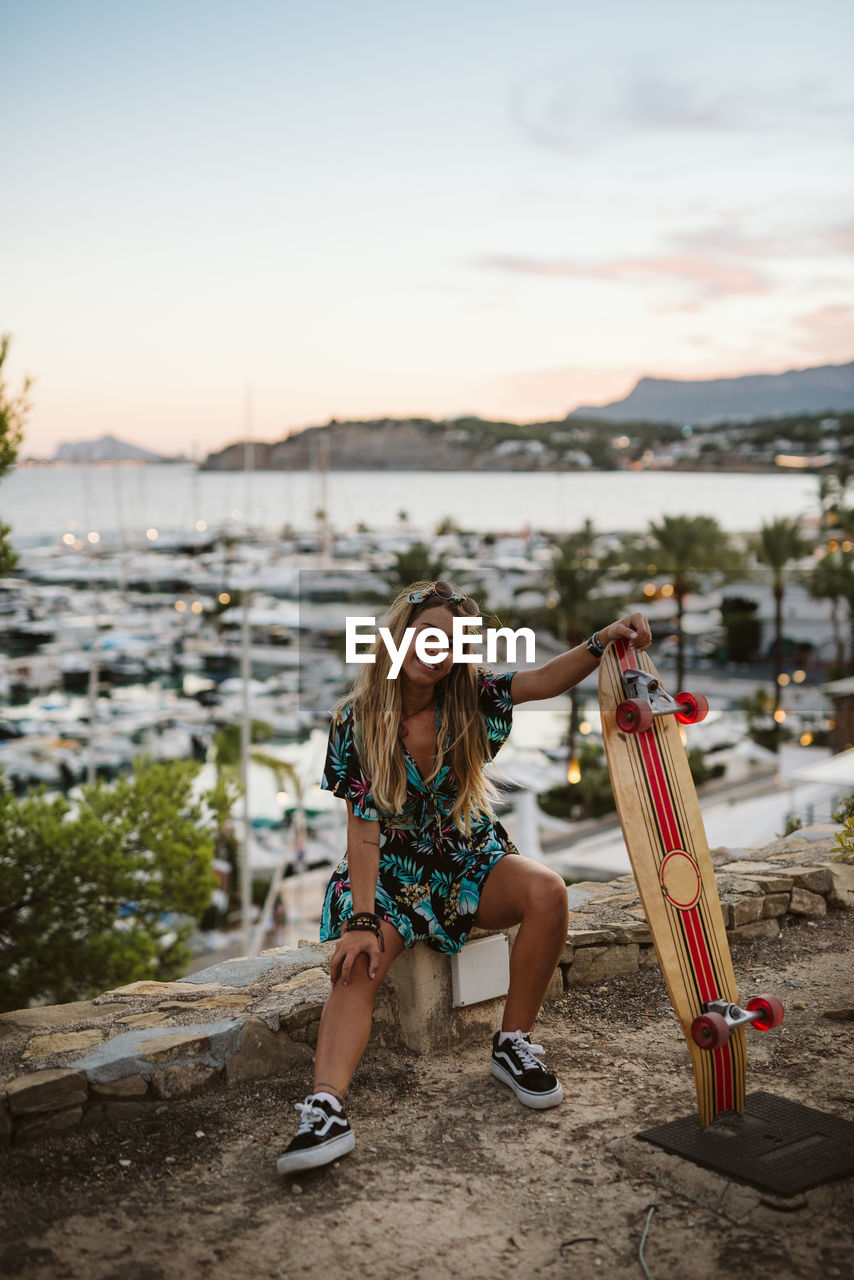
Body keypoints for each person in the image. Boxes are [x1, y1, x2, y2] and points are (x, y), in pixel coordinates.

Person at [277, 580, 651, 1175]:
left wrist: (604, 641)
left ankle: (512, 1046)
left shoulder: (471, 697)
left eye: (453, 641)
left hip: (465, 856)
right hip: (391, 872)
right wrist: (362, 917)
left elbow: (542, 681)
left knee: (548, 890)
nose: (439, 648)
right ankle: (325, 1109)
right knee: (359, 963)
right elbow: (364, 831)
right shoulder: (355, 721)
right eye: (429, 634)